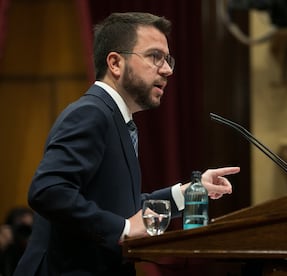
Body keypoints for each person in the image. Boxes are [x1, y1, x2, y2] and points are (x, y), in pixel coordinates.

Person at [13, 12, 240, 276]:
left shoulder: (117, 120)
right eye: (155, 56)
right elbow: (48, 191)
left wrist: (189, 193)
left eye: (168, 60)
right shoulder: (91, 113)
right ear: (115, 63)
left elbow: (121, 207)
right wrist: (123, 229)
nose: (167, 70)